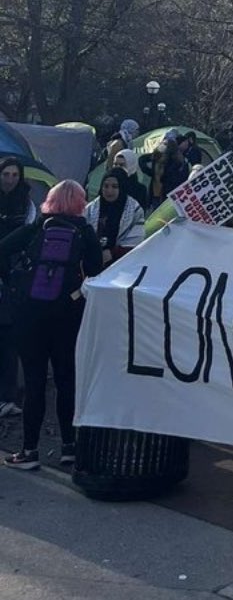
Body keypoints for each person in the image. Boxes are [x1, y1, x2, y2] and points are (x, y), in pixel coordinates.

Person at [0, 180, 102, 470]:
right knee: (65, 380)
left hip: (31, 312)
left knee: (34, 383)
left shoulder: (38, 227)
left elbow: (2, 249)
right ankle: (69, 446)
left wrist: (15, 281)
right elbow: (95, 270)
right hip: (67, 312)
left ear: (51, 200)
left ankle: (29, 451)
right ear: (81, 204)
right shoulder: (84, 230)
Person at [0, 158, 35, 420]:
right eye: (5, 174)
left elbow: (28, 239)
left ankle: (9, 394)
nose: (9, 179)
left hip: (13, 278)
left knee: (8, 337)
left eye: (14, 175)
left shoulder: (27, 205)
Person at [83, 169, 145, 266]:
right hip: (93, 264)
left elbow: (135, 241)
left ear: (122, 187)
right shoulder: (91, 208)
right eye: (106, 186)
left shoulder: (134, 210)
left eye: (114, 187)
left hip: (122, 264)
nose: (109, 191)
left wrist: (113, 253)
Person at [138, 134, 189, 213]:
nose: (161, 145)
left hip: (167, 198)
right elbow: (142, 159)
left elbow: (178, 179)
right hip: (154, 195)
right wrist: (149, 169)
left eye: (165, 144)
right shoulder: (157, 158)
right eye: (162, 143)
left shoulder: (177, 163)